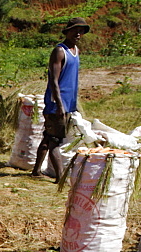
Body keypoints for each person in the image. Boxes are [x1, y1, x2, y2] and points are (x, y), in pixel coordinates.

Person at [32, 17, 90, 181]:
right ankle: (60, 177)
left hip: (67, 103)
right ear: (67, 32)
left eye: (81, 31)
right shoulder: (60, 51)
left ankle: (36, 171)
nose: (78, 34)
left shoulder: (75, 51)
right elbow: (54, 81)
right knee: (55, 141)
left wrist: (72, 104)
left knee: (49, 136)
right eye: (75, 30)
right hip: (56, 104)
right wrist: (59, 105)